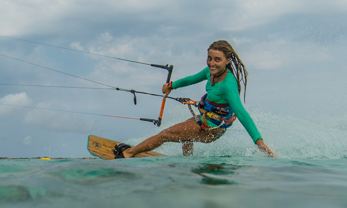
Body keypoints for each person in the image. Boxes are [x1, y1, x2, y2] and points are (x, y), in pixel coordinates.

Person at [114, 40, 276, 158]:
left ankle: (128, 154)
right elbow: (191, 79)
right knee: (185, 136)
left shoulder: (227, 85)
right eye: (210, 58)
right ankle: (188, 164)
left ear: (228, 61)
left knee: (165, 134)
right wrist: (171, 85)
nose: (212, 63)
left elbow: (241, 113)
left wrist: (259, 142)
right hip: (206, 119)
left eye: (217, 60)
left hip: (212, 129)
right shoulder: (210, 72)